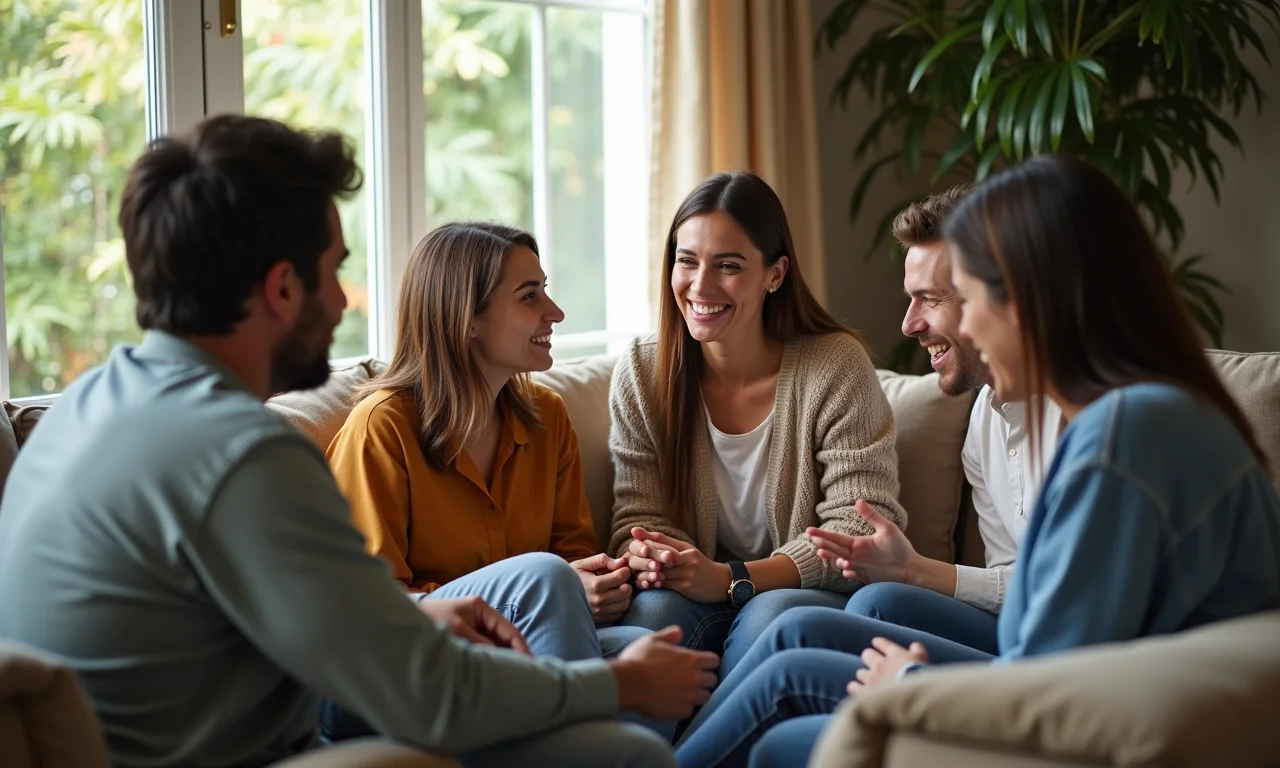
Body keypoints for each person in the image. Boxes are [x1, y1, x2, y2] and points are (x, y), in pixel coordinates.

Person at [0, 114, 719, 768]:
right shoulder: (241, 452)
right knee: (624, 751)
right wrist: (616, 684)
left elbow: (247, 621)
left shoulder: (90, 405)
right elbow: (426, 695)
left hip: (238, 723)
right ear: (283, 289)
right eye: (336, 270)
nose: (345, 303)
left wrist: (410, 613)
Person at [671, 154, 1280, 768]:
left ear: (1030, 301)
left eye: (968, 293)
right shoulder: (1134, 414)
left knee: (785, 704)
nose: (946, 322)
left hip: (1115, 715)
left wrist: (913, 687)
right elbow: (1043, 632)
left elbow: (1047, 680)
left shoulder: (1122, 439)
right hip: (1100, 689)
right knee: (794, 642)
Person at [320, 221, 645, 739]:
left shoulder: (546, 416)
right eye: (529, 295)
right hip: (423, 663)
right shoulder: (383, 427)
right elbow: (371, 605)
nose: (555, 312)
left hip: (533, 642)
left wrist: (591, 582)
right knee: (546, 581)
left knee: (653, 650)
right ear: (466, 318)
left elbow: (570, 557)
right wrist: (541, 589)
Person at [608, 170, 907, 679]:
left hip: (799, 591)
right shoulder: (642, 370)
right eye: (687, 261)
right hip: (693, 589)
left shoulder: (836, 366)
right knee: (652, 616)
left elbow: (860, 528)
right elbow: (639, 514)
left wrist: (730, 579)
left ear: (775, 273)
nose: (700, 286)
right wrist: (653, 555)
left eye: (728, 266)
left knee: (770, 615)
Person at [809, 185, 1061, 657]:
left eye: (928, 298)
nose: (908, 324)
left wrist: (918, 571)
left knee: (802, 648)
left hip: (1078, 657)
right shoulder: (986, 418)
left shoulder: (1095, 417)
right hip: (1021, 635)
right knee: (858, 609)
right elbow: (1011, 582)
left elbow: (1074, 599)